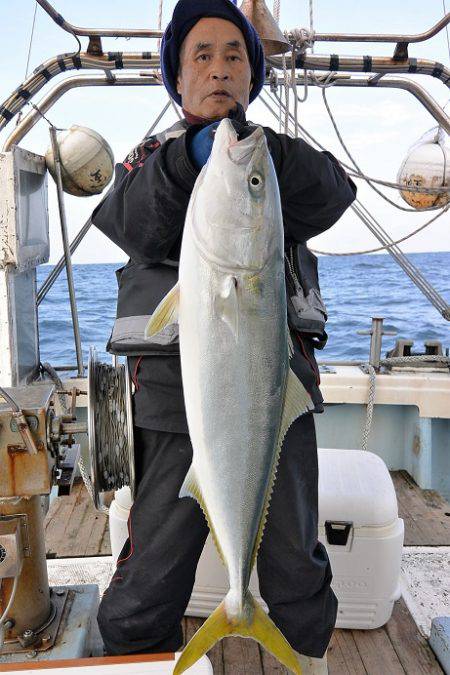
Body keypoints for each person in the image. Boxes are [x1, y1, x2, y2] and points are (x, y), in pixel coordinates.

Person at [93, 1, 356, 672]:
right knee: (150, 572)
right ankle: (137, 658)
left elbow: (334, 191)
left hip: (274, 393)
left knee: (296, 561)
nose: (218, 69)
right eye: (201, 56)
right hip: (168, 406)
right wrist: (188, 160)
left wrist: (251, 151)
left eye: (235, 56)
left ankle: (304, 658)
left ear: (252, 77)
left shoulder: (270, 161)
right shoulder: (154, 160)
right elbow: (125, 217)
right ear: (177, 82)